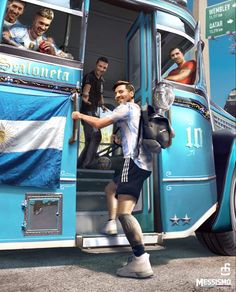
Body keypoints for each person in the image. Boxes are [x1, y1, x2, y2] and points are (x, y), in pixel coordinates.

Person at [72, 80, 154, 279]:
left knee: (125, 214)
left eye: (121, 92)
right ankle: (110, 222)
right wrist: (120, 138)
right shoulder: (139, 110)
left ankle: (140, 259)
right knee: (110, 188)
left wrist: (79, 114)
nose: (117, 95)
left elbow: (99, 123)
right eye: (115, 93)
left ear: (131, 93)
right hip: (143, 164)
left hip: (132, 161)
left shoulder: (126, 108)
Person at [77, 57, 109, 169]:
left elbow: (100, 94)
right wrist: (85, 96)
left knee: (90, 139)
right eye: (100, 66)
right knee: (96, 135)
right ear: (96, 65)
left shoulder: (101, 80)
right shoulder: (90, 76)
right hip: (87, 111)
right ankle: (88, 163)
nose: (102, 69)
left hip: (94, 111)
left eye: (104, 67)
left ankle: (80, 163)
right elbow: (87, 88)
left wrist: (103, 104)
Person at [2, 8, 68, 58]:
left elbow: (69, 57)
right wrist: (18, 46)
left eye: (46, 25)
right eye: (41, 23)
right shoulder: (20, 30)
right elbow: (4, 35)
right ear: (34, 20)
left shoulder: (46, 42)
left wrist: (53, 53)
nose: (43, 27)